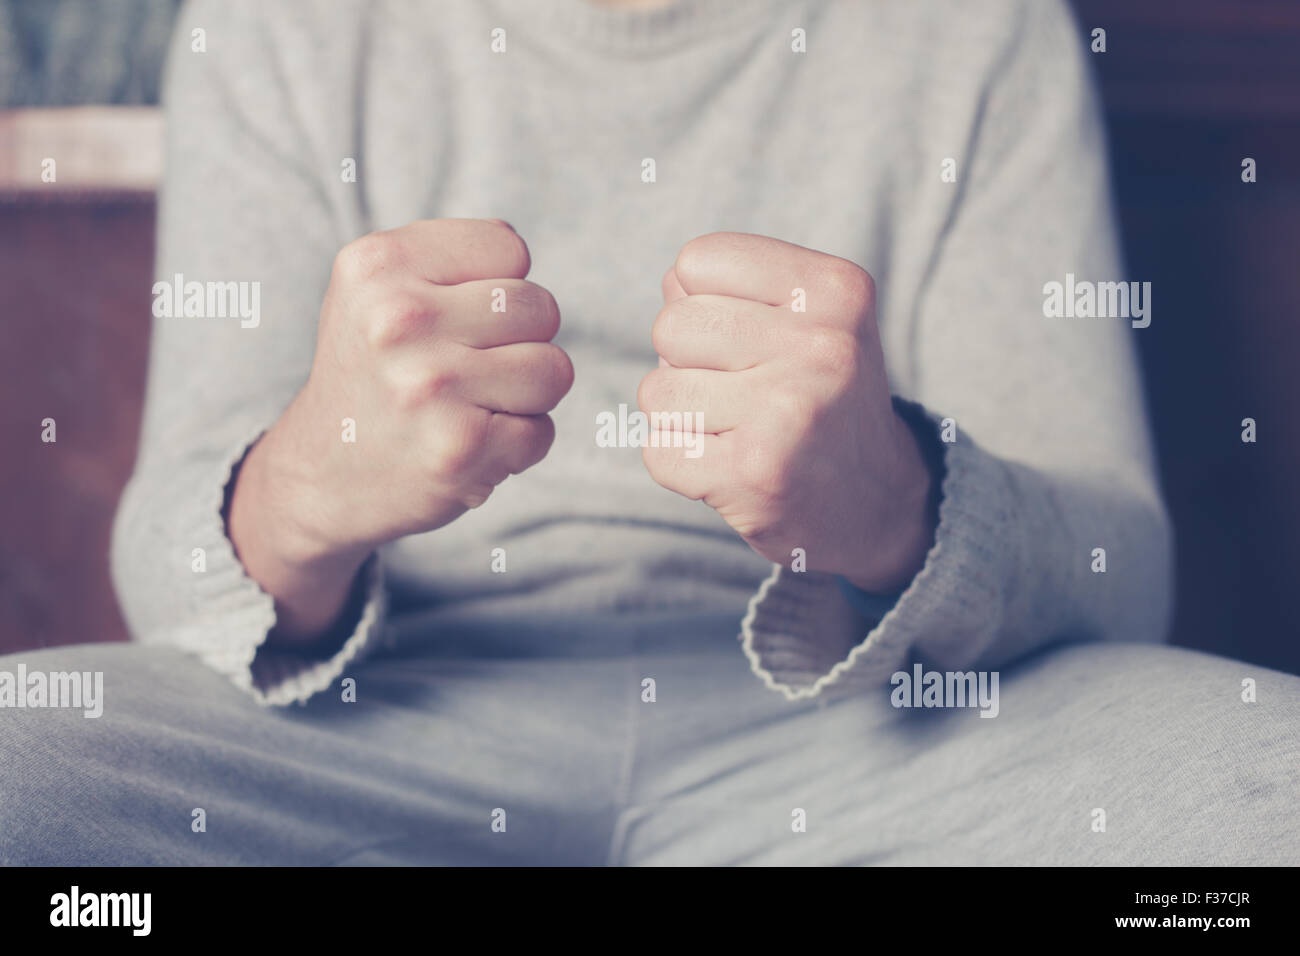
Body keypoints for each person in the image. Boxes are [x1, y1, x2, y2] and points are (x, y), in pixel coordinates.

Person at [2, 0, 1296, 866]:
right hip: (364, 733)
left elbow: (1125, 574)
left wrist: (896, 501)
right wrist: (301, 490)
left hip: (882, 741)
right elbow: (167, 579)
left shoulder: (974, 28)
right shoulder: (281, 22)